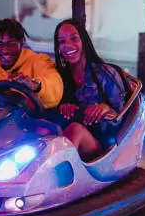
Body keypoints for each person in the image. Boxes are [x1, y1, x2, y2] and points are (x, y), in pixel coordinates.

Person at [54, 19, 128, 161]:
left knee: (75, 129)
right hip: (65, 142)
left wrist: (105, 109)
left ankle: (57, 177)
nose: (67, 45)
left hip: (102, 149)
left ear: (84, 41)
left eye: (74, 38)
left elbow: (124, 119)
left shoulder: (106, 74)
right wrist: (63, 108)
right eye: (62, 41)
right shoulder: (57, 77)